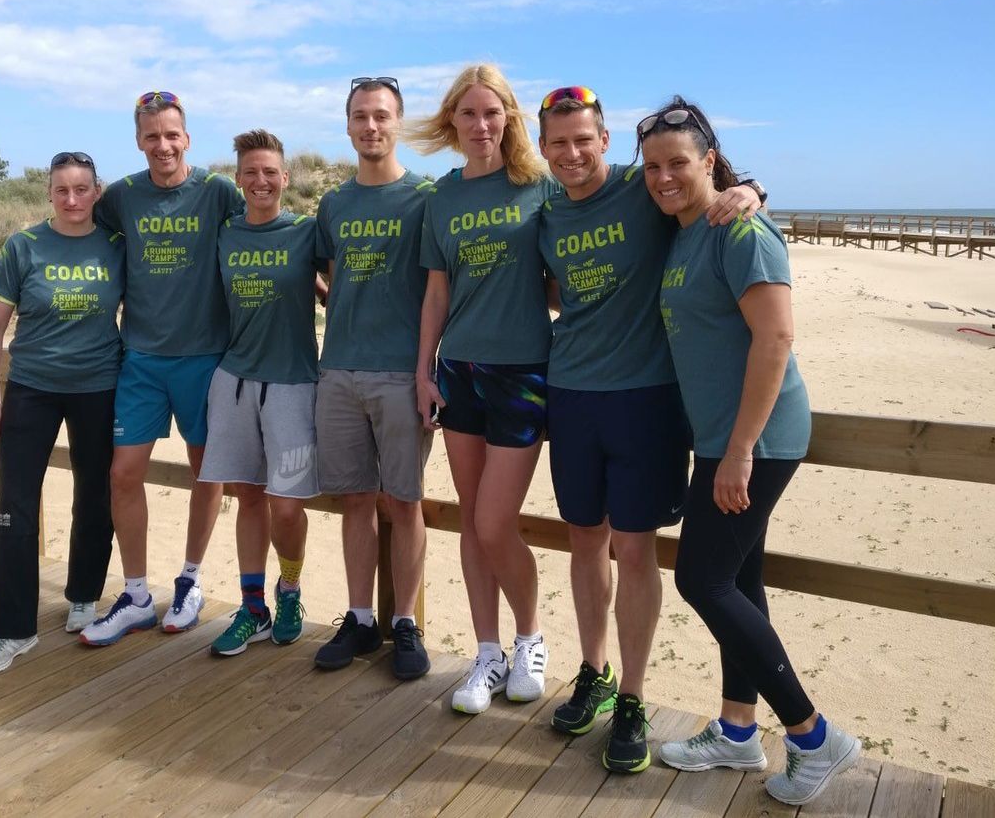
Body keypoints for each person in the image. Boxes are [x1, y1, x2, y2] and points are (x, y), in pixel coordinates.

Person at [639, 96, 860, 805]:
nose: (663, 177)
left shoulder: (740, 230)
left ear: (709, 160)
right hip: (719, 436)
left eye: (678, 162)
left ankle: (812, 736)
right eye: (652, 166)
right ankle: (738, 729)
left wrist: (739, 451)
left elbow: (777, 337)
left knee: (701, 580)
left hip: (754, 439)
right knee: (739, 580)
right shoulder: (684, 231)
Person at [536, 87, 762, 772]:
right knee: (584, 541)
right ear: (543, 150)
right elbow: (548, 288)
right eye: (558, 143)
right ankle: (595, 671)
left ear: (605, 142)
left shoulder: (644, 187)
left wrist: (750, 190)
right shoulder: (545, 210)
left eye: (584, 139)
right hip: (571, 395)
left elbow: (699, 188)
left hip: (646, 399)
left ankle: (632, 696)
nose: (572, 153)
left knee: (634, 550)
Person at [408, 64, 556, 713]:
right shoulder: (440, 198)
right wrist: (424, 370)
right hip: (460, 372)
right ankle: (487, 653)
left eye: (491, 112)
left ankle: (530, 638)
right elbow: (436, 292)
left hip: (523, 371)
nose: (480, 124)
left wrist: (745, 190)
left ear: (509, 119)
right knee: (472, 520)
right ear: (453, 122)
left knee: (497, 522)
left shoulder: (539, 186)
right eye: (467, 113)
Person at [80, 91, 244, 646]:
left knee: (207, 471)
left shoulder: (218, 191)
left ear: (187, 139)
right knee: (123, 474)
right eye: (152, 136)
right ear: (138, 141)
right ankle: (136, 596)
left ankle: (191, 580)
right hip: (141, 359)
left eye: (172, 134)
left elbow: (262, 232)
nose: (163, 145)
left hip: (205, 357)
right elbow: (83, 233)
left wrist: (318, 287)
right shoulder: (122, 196)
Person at [0, 151, 124, 673]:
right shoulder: (23, 245)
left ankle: (84, 596)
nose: (72, 199)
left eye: (82, 189)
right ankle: (13, 630)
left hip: (99, 386)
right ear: (49, 194)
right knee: (13, 507)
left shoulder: (117, 244)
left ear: (97, 192)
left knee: (96, 495)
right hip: (32, 388)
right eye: (62, 190)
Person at [312, 77, 433, 681]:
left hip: (401, 373)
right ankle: (360, 618)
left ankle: (404, 622)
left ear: (399, 122)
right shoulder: (334, 203)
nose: (371, 126)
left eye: (382, 115)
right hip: (338, 370)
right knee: (355, 500)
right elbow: (327, 274)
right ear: (348, 125)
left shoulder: (426, 198)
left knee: (404, 501)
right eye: (360, 116)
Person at [199, 130, 322, 656]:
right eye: (250, 172)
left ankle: (289, 590)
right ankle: (252, 609)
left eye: (270, 171)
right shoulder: (225, 234)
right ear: (238, 179)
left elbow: (339, 286)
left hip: (293, 383)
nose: (261, 180)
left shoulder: (306, 232)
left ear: (285, 178)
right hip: (233, 381)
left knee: (287, 507)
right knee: (248, 496)